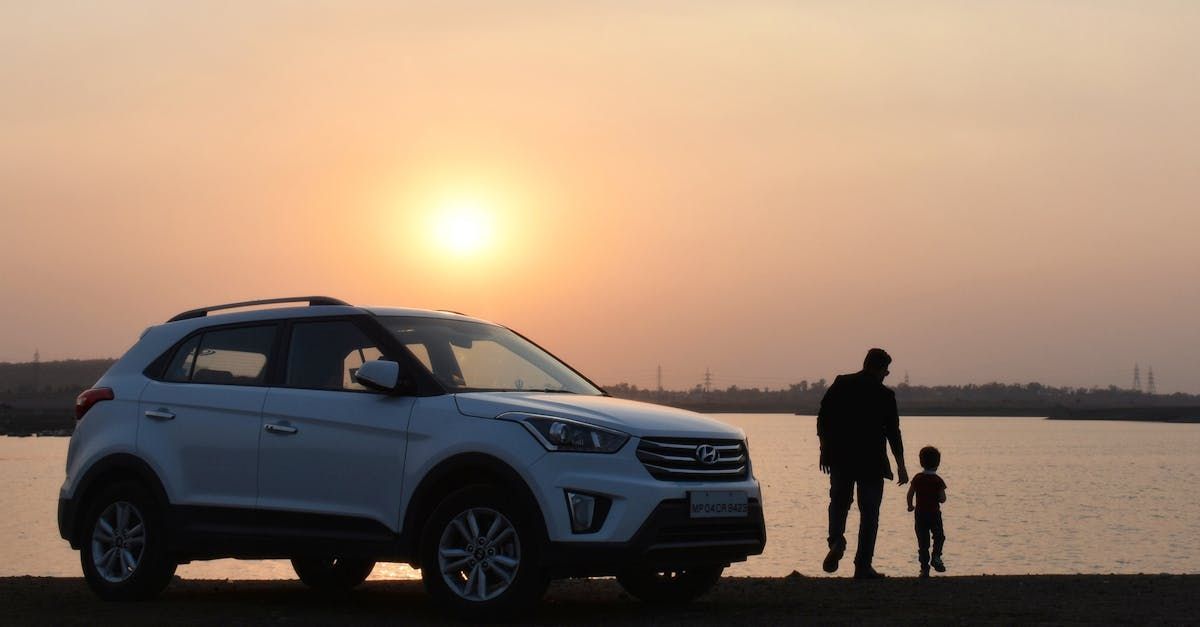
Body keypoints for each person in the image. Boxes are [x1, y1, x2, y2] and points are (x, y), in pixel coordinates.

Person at [817, 348, 908, 579]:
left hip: (840, 457)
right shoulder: (885, 395)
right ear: (878, 368)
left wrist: (824, 450)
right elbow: (893, 433)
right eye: (886, 370)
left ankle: (836, 541)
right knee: (870, 514)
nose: (887, 374)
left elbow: (823, 419)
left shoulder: (842, 383)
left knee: (839, 504)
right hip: (872, 461)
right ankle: (863, 565)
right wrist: (900, 465)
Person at [907, 445, 947, 578]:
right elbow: (942, 499)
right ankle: (936, 556)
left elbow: (910, 493)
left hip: (920, 515)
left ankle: (924, 569)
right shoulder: (938, 480)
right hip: (934, 514)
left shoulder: (917, 478)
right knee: (939, 537)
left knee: (923, 543)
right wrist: (939, 498)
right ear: (938, 463)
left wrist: (910, 505)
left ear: (921, 462)